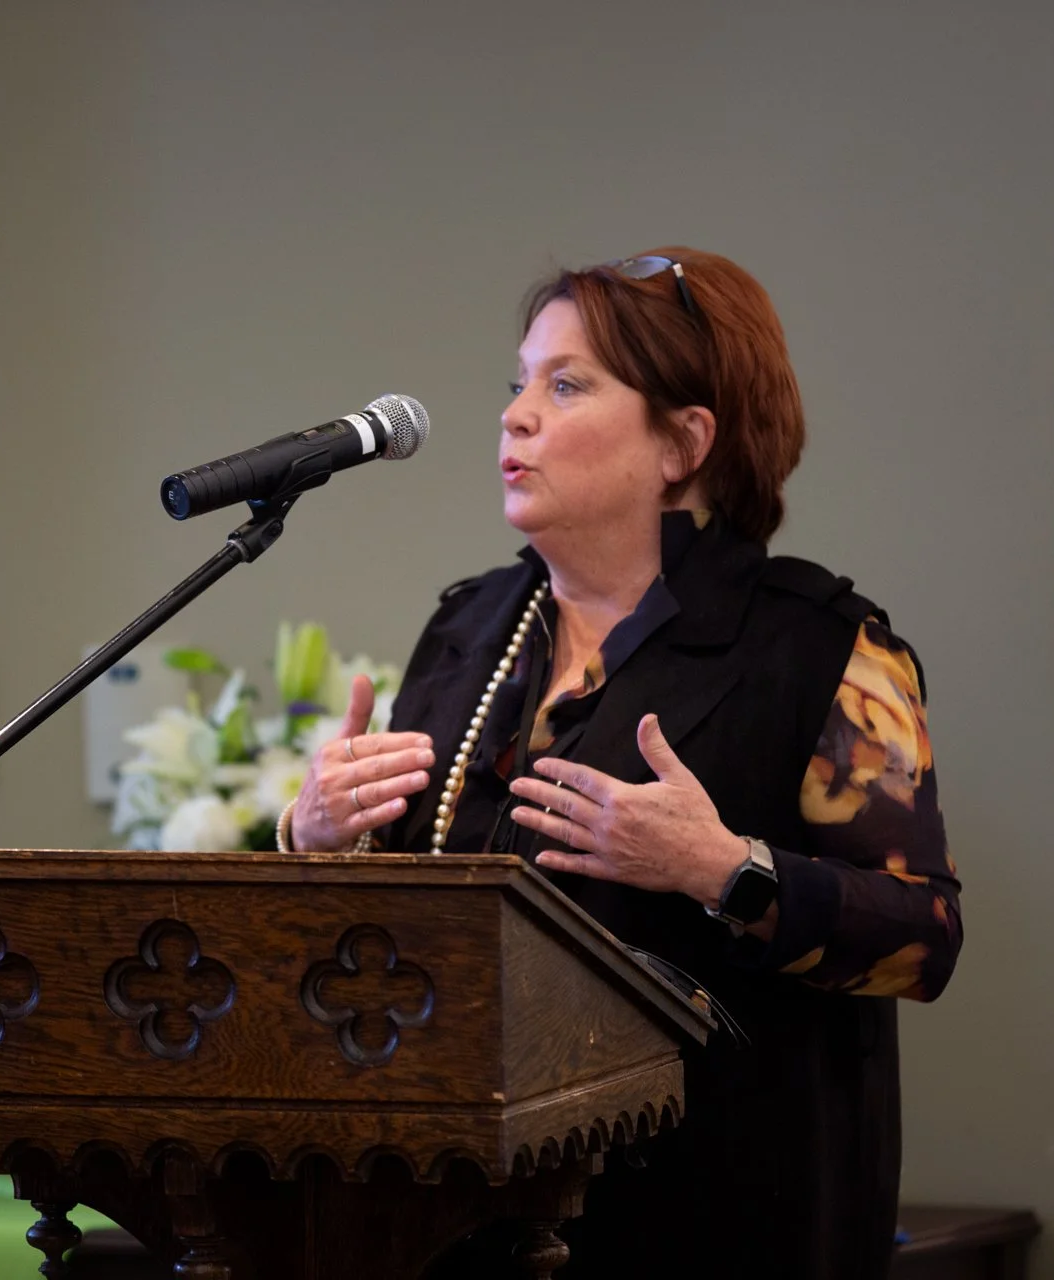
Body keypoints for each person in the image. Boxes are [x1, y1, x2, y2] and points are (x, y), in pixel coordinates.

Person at [277, 247, 962, 1278]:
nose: (515, 416)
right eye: (519, 383)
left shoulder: (822, 648)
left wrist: (724, 869)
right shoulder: (470, 629)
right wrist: (316, 836)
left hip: (715, 1214)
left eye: (567, 385)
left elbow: (925, 938)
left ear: (683, 442)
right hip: (459, 1216)